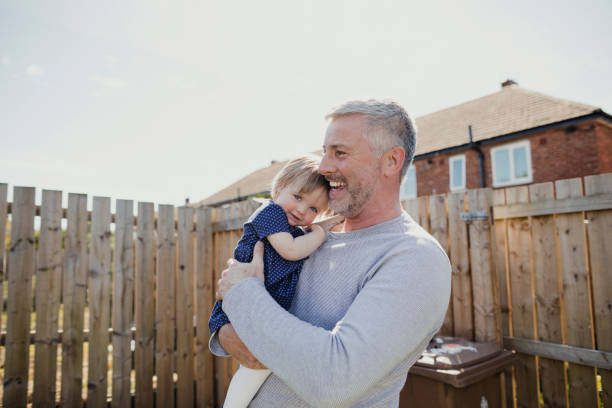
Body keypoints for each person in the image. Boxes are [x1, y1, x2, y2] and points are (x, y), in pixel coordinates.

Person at [211, 100, 452, 407]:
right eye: (324, 151)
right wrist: (225, 331)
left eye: (340, 153)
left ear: (391, 161)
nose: (323, 167)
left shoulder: (414, 258)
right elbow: (238, 315)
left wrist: (242, 293)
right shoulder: (309, 236)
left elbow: (335, 382)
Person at [209, 156, 344, 408]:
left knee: (258, 370)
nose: (303, 210)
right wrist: (321, 230)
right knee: (256, 368)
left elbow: (303, 235)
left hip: (258, 308)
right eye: (298, 197)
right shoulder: (269, 213)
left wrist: (324, 224)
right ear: (280, 186)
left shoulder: (292, 226)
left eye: (314, 209)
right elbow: (292, 250)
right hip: (240, 306)